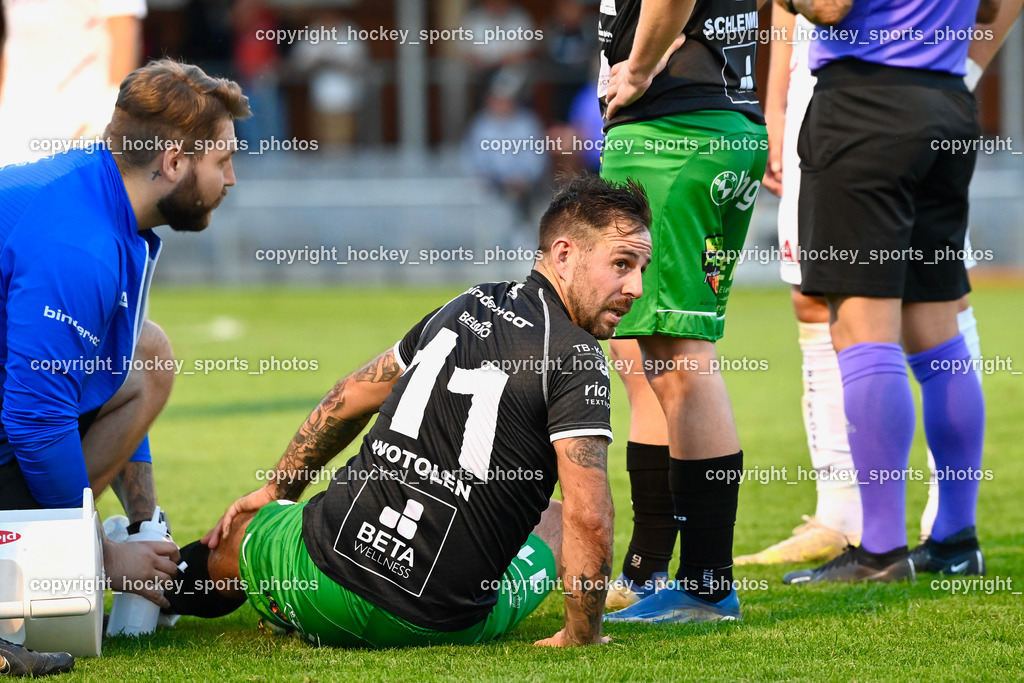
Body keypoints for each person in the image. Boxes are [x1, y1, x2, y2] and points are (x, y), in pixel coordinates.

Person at [162, 175, 652, 648]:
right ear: (564, 254)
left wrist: (276, 491)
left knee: (247, 529)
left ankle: (151, 588)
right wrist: (582, 636)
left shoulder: (464, 304)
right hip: (434, 624)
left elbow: (350, 396)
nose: (635, 288)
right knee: (555, 520)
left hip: (320, 585)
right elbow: (588, 518)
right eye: (623, 264)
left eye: (640, 271)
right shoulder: (577, 355)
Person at [739, 0, 1023, 566]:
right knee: (938, 328)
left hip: (863, 103)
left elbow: (827, 5)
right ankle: (955, 542)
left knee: (863, 332)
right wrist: (963, 64)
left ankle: (882, 551)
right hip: (945, 101)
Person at [0, 58, 249, 675]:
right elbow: (34, 421)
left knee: (148, 351)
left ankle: (102, 535)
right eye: (222, 160)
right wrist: (102, 559)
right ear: (172, 161)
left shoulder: (96, 196)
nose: (233, 179)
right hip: (18, 427)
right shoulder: (78, 245)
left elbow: (106, 369)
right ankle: (33, 564)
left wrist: (141, 528)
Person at [596, 0, 768, 622]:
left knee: (678, 358)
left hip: (675, 134)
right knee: (654, 363)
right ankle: (655, 570)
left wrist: (637, 69)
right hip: (715, 128)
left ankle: (704, 584)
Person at [0, 0, 147, 165]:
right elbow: (16, 36)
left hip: (80, 121)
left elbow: (124, 34)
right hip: (13, 121)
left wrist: (106, 115)